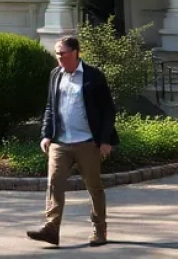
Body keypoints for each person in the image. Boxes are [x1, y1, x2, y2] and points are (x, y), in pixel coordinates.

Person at [26, 36, 117, 248]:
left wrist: (104, 140)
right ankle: (51, 228)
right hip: (60, 142)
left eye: (63, 53)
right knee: (54, 185)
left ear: (75, 52)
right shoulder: (55, 75)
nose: (59, 57)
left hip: (87, 142)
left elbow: (107, 111)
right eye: (57, 53)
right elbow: (50, 107)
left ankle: (99, 229)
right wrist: (46, 134)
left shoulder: (93, 77)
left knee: (94, 187)